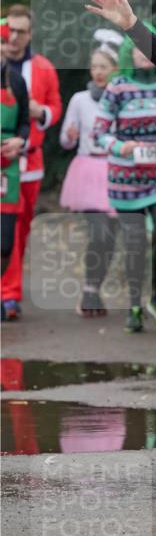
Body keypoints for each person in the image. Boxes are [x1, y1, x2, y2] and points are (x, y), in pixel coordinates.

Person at [92, 29, 156, 333]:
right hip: (125, 179)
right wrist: (121, 147)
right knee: (134, 244)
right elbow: (99, 132)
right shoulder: (118, 87)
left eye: (149, 47)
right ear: (128, 53)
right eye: (137, 48)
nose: (143, 53)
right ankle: (133, 304)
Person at [2, 4, 62, 320]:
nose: (14, 37)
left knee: (20, 228)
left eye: (21, 31)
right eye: (9, 29)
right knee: (5, 228)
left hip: (28, 162)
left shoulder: (42, 68)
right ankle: (8, 293)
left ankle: (10, 289)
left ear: (30, 34)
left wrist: (42, 112)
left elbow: (56, 107)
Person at [59, 43, 119, 316]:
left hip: (113, 170)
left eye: (103, 67)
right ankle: (90, 292)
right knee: (98, 232)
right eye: (94, 66)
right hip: (87, 170)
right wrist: (70, 135)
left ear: (114, 70)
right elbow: (65, 140)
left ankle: (93, 289)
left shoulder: (120, 97)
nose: (98, 72)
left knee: (110, 237)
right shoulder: (79, 99)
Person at [1, 25, 31, 319]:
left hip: (7, 168)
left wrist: (20, 140)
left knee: (6, 239)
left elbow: (25, 122)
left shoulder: (17, 81)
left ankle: (4, 291)